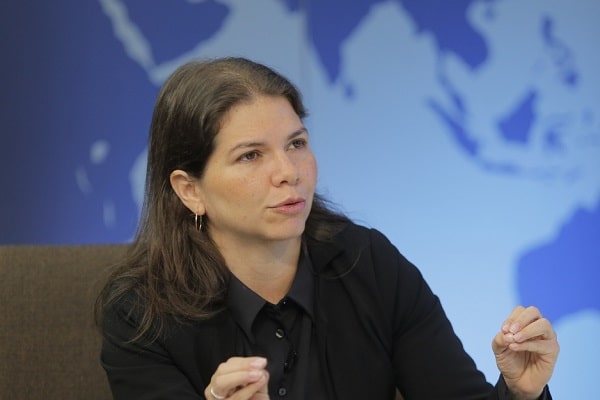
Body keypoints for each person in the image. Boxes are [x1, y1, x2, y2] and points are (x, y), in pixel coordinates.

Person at [96, 57, 559, 400]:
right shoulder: (140, 312)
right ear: (189, 190)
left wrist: (522, 393)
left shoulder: (369, 263)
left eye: (296, 144)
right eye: (251, 155)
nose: (288, 172)